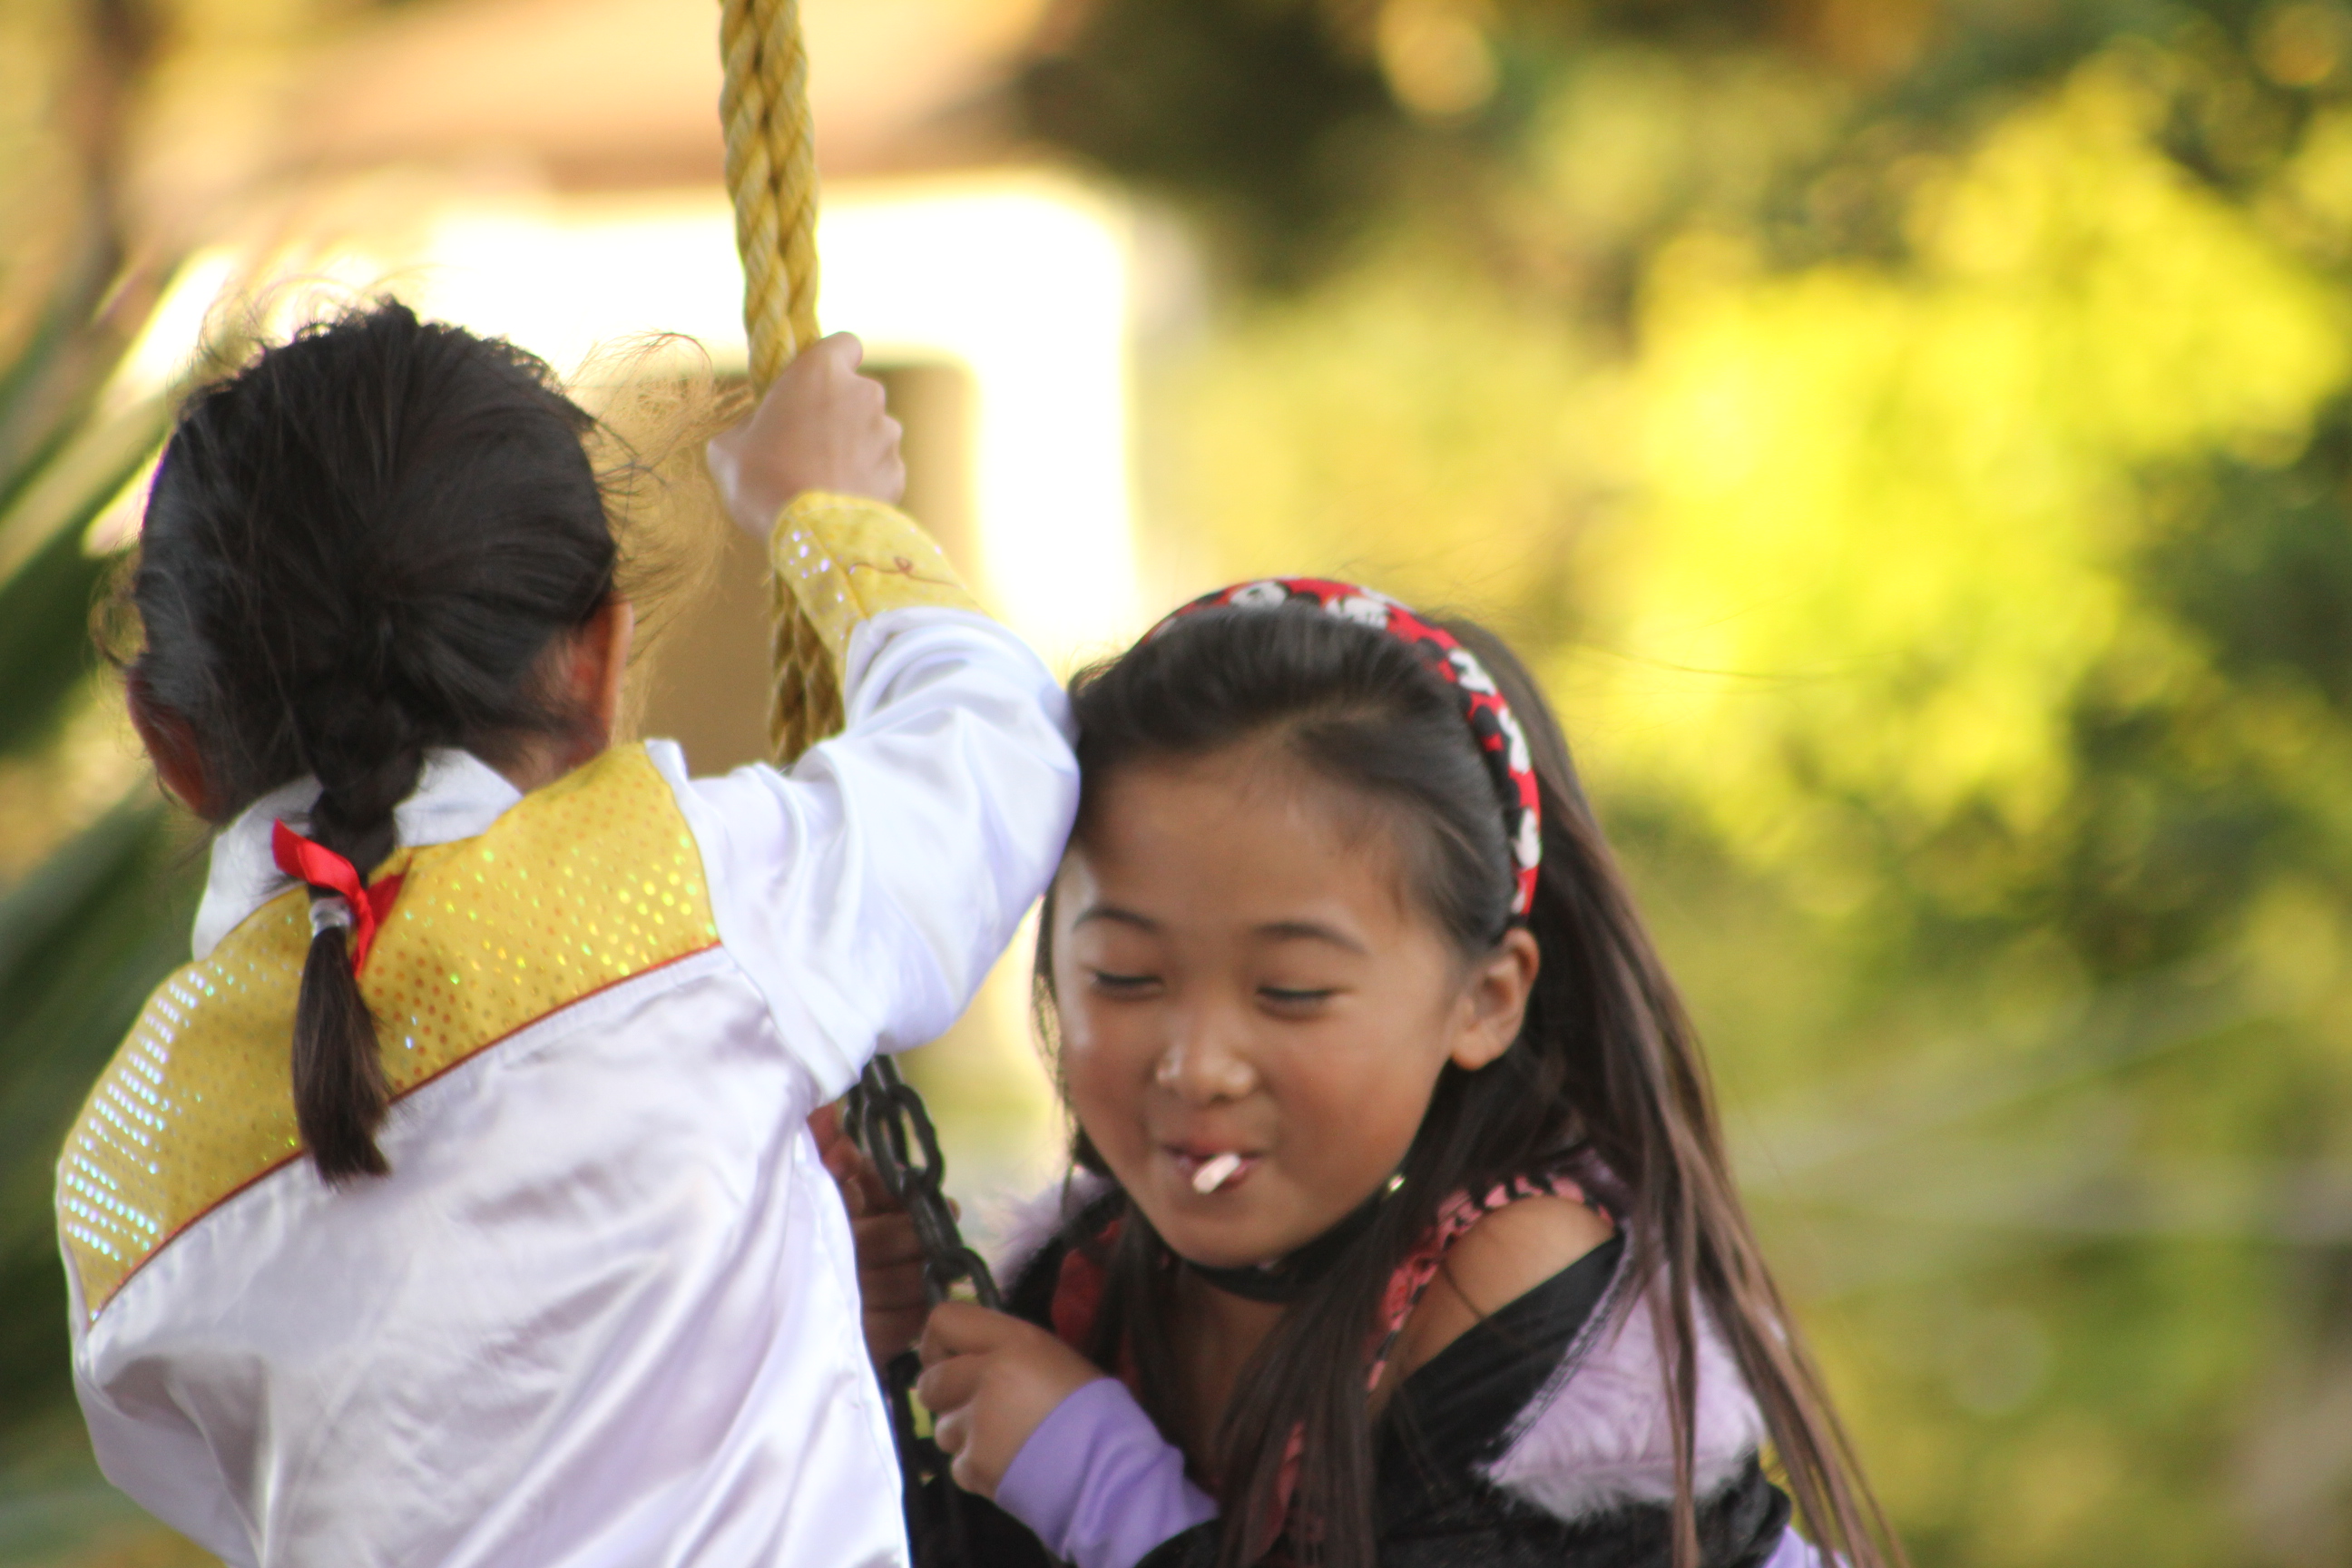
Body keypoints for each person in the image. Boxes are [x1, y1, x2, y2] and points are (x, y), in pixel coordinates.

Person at [53, 301, 1078, 1568]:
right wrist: (827, 516)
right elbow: (998, 749)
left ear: (169, 743)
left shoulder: (122, 1175)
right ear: (597, 665)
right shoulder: (680, 895)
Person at [839, 580, 1904, 1568]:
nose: (1196, 1066)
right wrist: (881, 1347)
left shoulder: (1520, 1301)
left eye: (1291, 991)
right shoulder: (1095, 1280)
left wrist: (1098, 1480)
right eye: (1124, 976)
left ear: (1486, 1000)